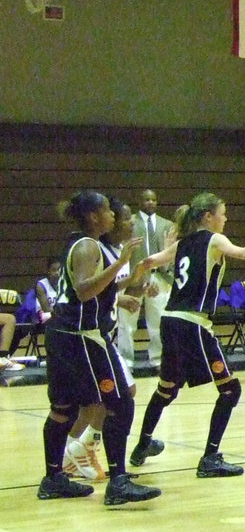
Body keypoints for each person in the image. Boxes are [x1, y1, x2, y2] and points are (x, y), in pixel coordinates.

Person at [130, 193, 245, 478]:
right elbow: (244, 253)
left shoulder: (182, 243)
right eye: (223, 213)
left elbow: (147, 262)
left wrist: (137, 287)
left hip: (170, 321)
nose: (226, 218)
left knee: (166, 389)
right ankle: (210, 458)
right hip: (192, 324)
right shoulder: (213, 240)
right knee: (230, 389)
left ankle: (142, 445)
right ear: (208, 216)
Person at [36, 190, 160, 505]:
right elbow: (82, 290)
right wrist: (119, 262)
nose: (113, 217)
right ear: (94, 216)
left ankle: (53, 478)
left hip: (63, 334)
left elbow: (94, 287)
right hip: (82, 335)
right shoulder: (89, 245)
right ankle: (118, 481)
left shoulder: (83, 243)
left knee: (63, 409)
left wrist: (127, 280)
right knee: (120, 402)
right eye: (107, 211)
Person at [126, 189, 174, 367]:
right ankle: (126, 362)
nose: (150, 203)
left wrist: (170, 274)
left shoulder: (167, 224)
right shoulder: (130, 222)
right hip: (135, 277)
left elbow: (172, 252)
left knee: (158, 321)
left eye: (153, 199)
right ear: (139, 201)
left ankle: (158, 360)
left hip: (159, 277)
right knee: (128, 322)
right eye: (146, 199)